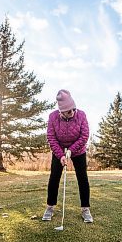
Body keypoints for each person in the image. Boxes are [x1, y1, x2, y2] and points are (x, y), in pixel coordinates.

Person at [42, 89, 93, 223]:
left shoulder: (81, 115)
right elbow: (51, 137)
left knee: (83, 179)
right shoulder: (53, 117)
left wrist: (71, 150)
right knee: (54, 178)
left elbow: (84, 136)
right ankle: (50, 207)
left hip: (78, 150)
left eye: (72, 110)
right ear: (60, 111)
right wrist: (61, 155)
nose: (70, 113)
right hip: (59, 150)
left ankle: (85, 209)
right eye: (66, 112)